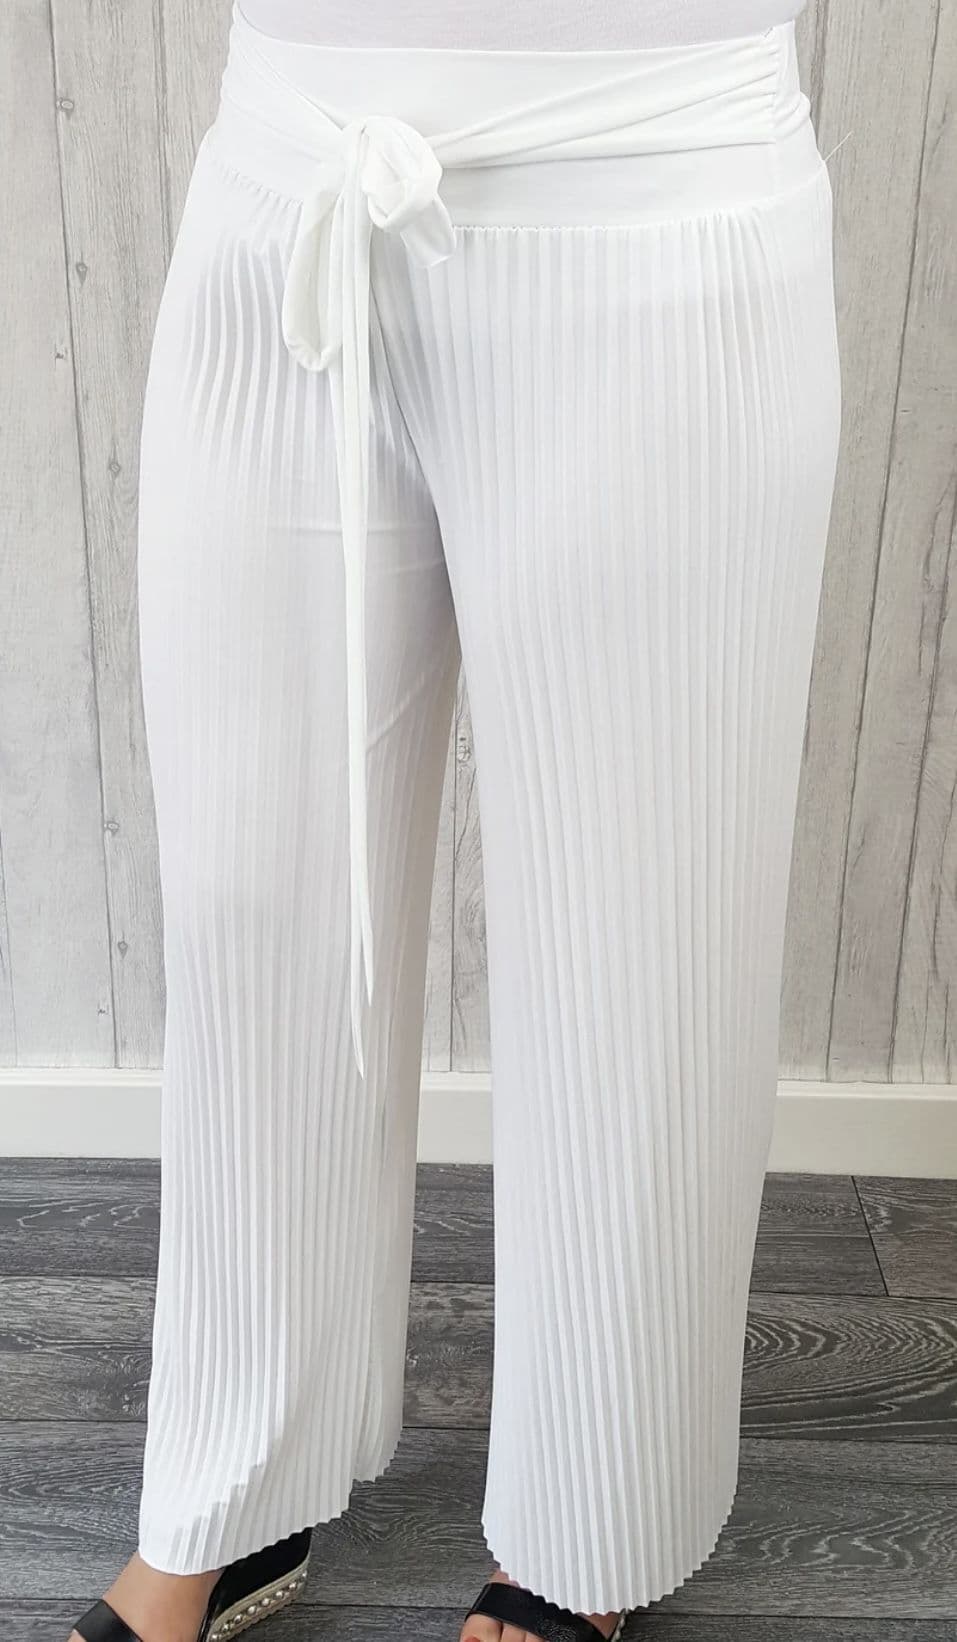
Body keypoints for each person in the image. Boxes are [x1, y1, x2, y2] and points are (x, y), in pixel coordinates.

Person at [70, 0, 840, 1638]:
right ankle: (235, 1481)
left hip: (650, 194)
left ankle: (587, 1528)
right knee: (254, 896)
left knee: (640, 926)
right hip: (285, 186)